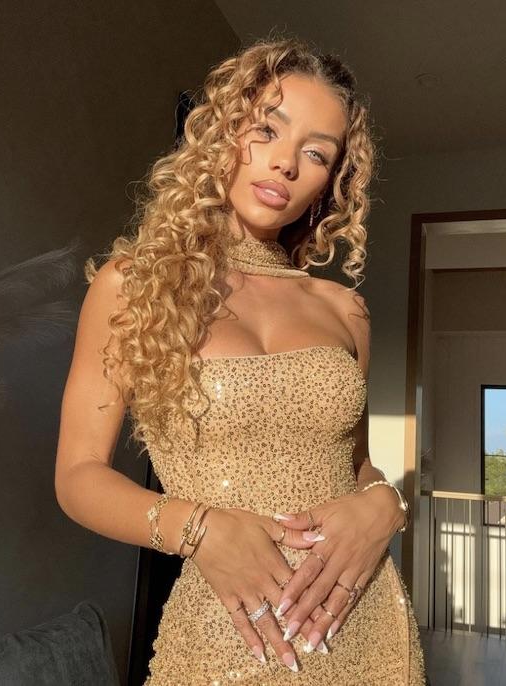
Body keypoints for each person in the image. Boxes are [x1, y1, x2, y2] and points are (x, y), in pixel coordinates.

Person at [55, 35, 426, 685]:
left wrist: (385, 504)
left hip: (365, 622)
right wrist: (198, 529)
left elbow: (356, 465)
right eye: (266, 130)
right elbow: (78, 476)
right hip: (229, 635)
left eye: (316, 153)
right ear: (222, 133)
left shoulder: (345, 310)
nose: (285, 163)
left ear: (331, 183)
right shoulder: (135, 286)